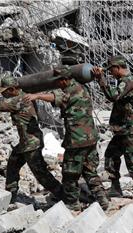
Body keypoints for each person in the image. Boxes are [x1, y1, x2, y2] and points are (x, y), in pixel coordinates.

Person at [23, 67, 109, 213]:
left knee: (70, 173)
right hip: (90, 138)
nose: (57, 84)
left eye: (58, 81)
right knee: (90, 170)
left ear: (64, 80)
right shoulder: (82, 87)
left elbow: (54, 96)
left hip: (77, 140)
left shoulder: (68, 92)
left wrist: (36, 96)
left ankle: (72, 203)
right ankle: (103, 200)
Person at [0, 76, 63, 204]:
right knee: (13, 165)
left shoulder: (19, 100)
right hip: (25, 143)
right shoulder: (22, 97)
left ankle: (64, 195)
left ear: (12, 89)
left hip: (31, 144)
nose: (3, 94)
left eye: (5, 91)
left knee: (41, 174)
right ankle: (10, 197)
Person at [92, 55, 133, 199]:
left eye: (111, 70)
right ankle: (115, 188)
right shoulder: (124, 82)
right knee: (111, 155)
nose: (110, 73)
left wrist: (101, 80)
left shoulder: (128, 81)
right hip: (124, 129)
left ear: (117, 68)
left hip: (131, 129)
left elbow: (114, 96)